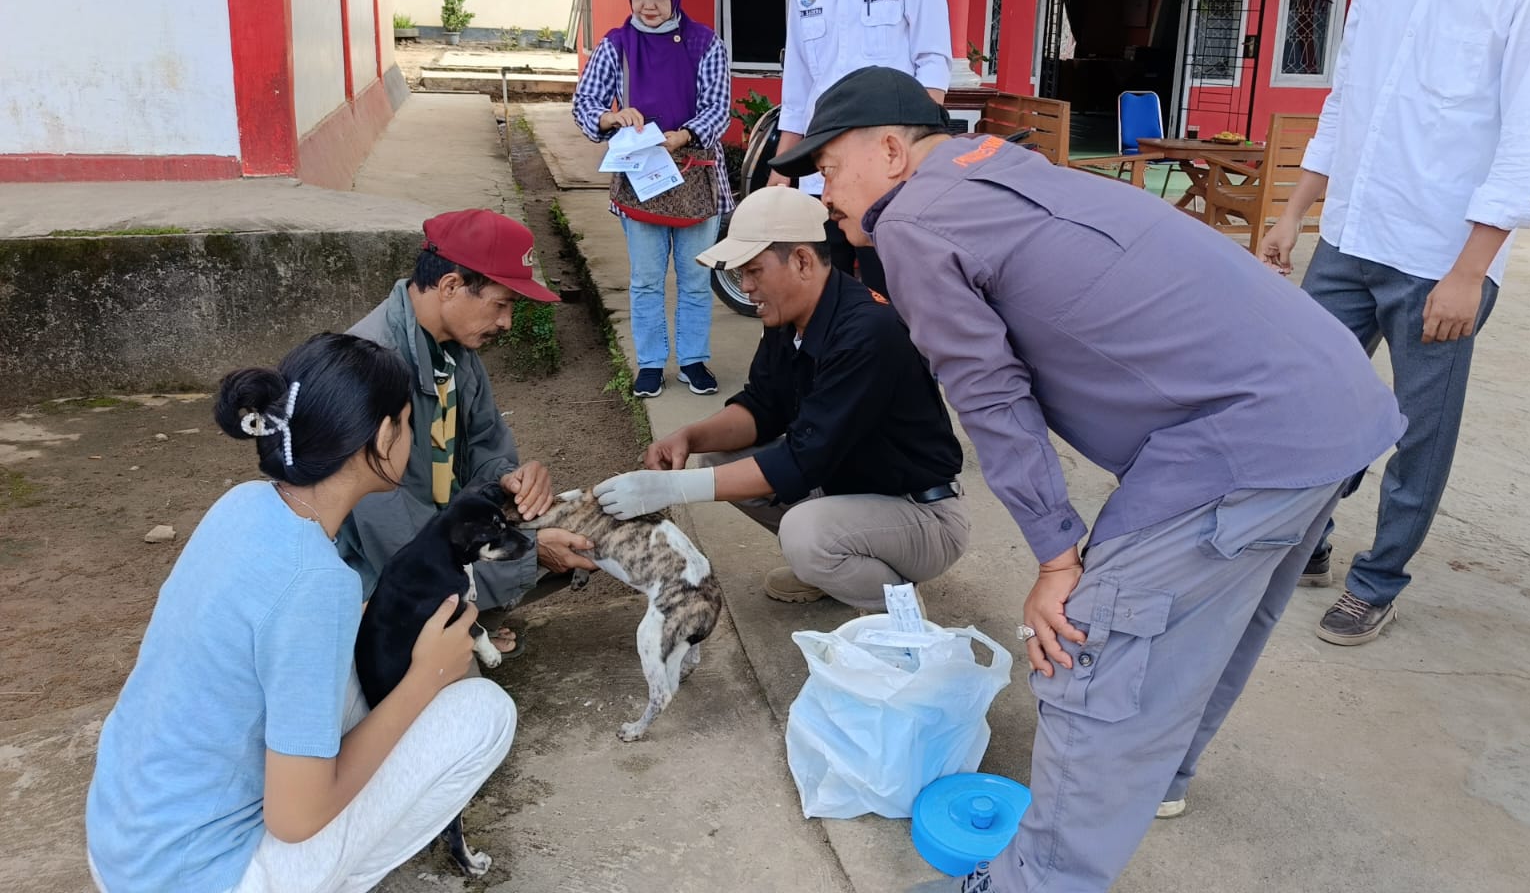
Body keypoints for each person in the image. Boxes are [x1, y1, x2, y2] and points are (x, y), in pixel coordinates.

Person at [771, 67, 1405, 892]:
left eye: (828, 171)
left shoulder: (915, 220)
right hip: (1334, 406)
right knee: (1212, 625)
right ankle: (1159, 784)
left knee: (1090, 658)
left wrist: (1057, 556)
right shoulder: (1002, 166)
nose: (824, 195)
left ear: (892, 150)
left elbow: (987, 391)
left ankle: (1036, 881)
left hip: (1237, 440)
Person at [1260, 0, 1530, 646]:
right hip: (1349, 240)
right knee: (1308, 404)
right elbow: (1348, 103)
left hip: (1440, 258)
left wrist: (1471, 271)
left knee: (1417, 433)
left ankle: (1378, 579)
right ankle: (1313, 541)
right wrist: (1296, 210)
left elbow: (1525, 142)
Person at [86, 333, 515, 893]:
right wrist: (427, 676)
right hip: (202, 876)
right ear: (385, 438)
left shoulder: (240, 503)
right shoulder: (317, 583)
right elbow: (296, 821)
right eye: (409, 422)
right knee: (484, 712)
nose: (410, 434)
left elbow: (270, 629)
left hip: (126, 846)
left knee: (348, 667)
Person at [590, 186, 969, 611]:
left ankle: (893, 599)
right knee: (718, 457)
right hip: (849, 490)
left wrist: (671, 488)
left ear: (803, 261)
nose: (746, 287)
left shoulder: (868, 333)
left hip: (922, 515)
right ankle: (837, 565)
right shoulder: (789, 317)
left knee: (804, 535)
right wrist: (691, 436)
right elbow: (763, 406)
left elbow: (802, 459)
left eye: (753, 271)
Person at [337, 210, 598, 659]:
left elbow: (486, 445)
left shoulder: (454, 348)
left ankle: (465, 622)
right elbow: (394, 545)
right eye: (501, 304)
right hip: (377, 578)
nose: (507, 323)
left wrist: (512, 479)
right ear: (452, 286)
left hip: (441, 536)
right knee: (478, 706)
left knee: (586, 525)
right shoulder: (369, 371)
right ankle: (446, 634)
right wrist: (529, 554)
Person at [768, 0, 952, 297]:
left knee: (889, 302)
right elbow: (799, 85)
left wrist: (912, 162)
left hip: (885, 180)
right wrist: (781, 170)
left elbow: (933, 64)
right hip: (819, 176)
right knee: (818, 299)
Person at [573, 0, 733, 399]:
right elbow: (585, 102)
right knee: (645, 279)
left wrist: (682, 136)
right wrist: (612, 117)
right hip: (640, 180)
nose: (648, 4)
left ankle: (693, 360)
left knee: (695, 277)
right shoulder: (616, 45)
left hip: (695, 176)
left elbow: (718, 109)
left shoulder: (705, 43)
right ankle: (649, 363)